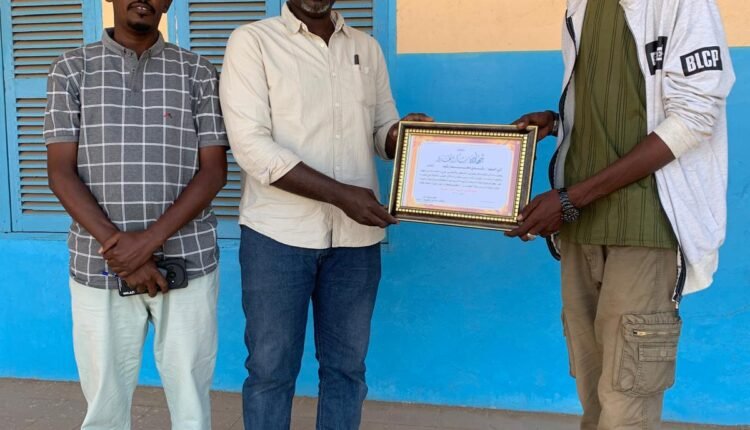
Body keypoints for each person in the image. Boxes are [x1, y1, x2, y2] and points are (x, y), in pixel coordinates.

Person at [508, 0, 734, 428]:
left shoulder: (683, 4)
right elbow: (619, 106)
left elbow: (695, 116)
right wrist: (561, 123)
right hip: (580, 228)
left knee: (626, 406)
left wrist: (571, 199)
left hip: (644, 226)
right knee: (593, 397)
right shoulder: (581, 6)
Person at [219, 0, 432, 428]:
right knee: (270, 370)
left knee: (347, 370)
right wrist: (341, 196)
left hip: (356, 241)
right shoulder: (252, 42)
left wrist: (403, 134)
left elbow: (380, 133)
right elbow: (252, 148)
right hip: (276, 237)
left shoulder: (366, 48)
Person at [44, 0, 229, 428]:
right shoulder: (71, 69)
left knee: (192, 404)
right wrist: (122, 253)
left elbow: (214, 171)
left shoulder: (197, 71)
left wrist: (144, 245)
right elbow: (60, 173)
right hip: (99, 267)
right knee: (104, 407)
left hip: (188, 261)